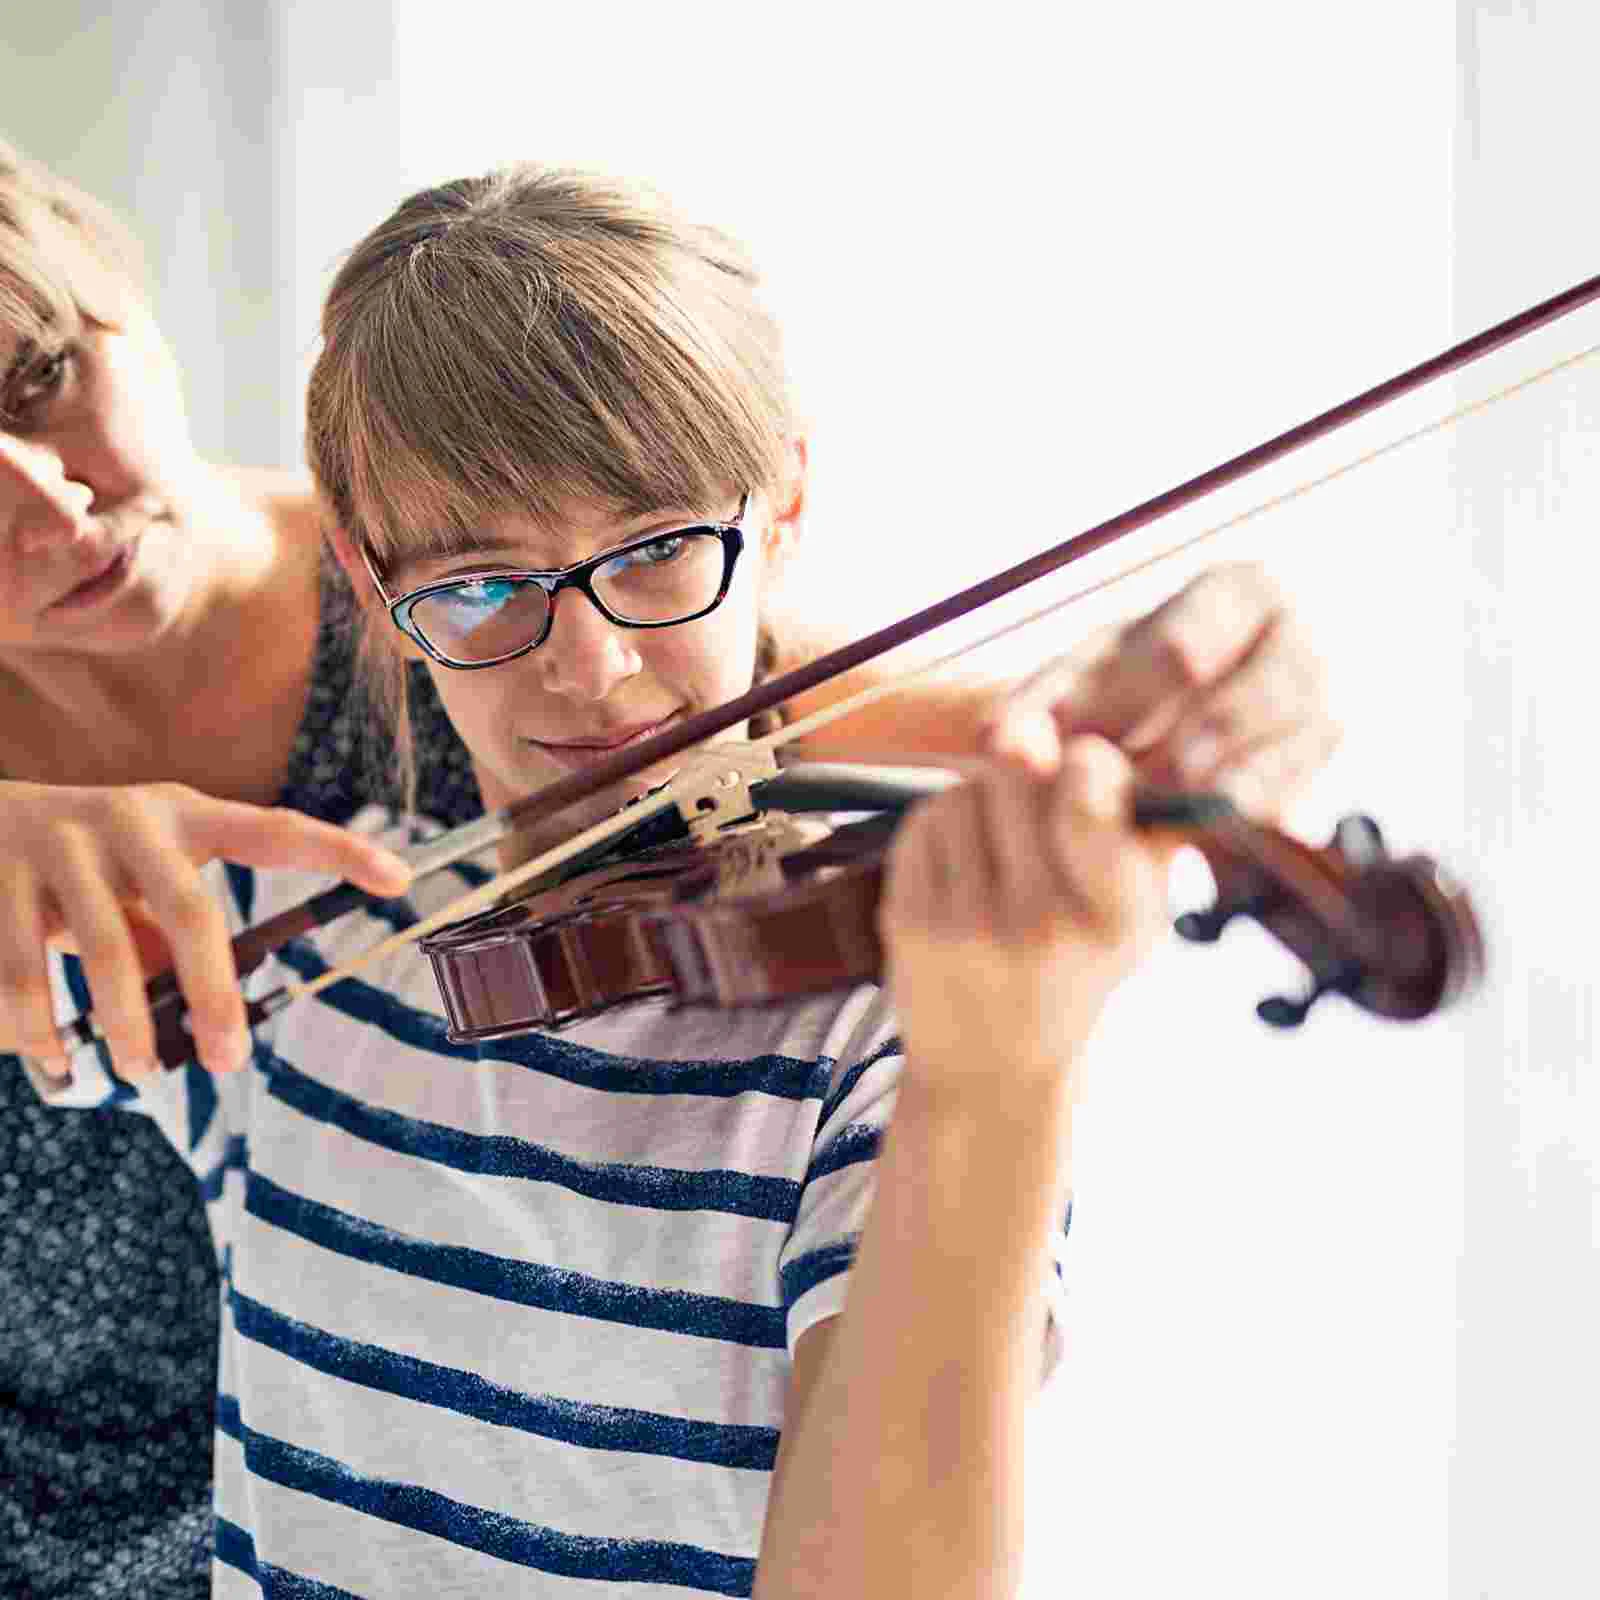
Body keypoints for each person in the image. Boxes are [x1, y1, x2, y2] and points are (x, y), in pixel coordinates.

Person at [18, 162, 1338, 1598]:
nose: (588, 670)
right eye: (475, 586)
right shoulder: (297, 956)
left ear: (782, 507)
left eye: (655, 554)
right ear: (372, 586)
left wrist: (1004, 1073)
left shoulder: (885, 1037)